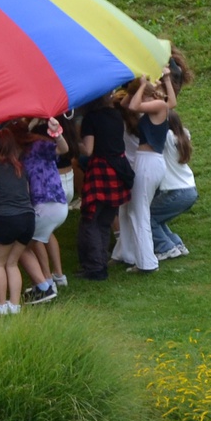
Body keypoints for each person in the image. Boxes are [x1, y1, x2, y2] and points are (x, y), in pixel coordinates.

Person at [0, 130, 49, 314]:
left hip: (6, 219)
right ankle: (14, 305)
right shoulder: (21, 167)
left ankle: (1, 305)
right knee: (12, 262)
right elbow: (26, 192)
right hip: (27, 219)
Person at [115, 77, 172, 272]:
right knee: (133, 210)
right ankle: (132, 255)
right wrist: (135, 88)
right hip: (144, 160)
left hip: (149, 162)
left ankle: (147, 263)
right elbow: (126, 103)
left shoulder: (157, 105)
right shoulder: (154, 105)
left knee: (140, 212)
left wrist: (139, 86)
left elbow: (133, 105)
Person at [75, 90, 133, 281]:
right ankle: (99, 264)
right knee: (105, 220)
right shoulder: (116, 114)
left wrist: (75, 143)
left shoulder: (91, 118)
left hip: (101, 170)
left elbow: (89, 150)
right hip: (118, 169)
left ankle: (94, 268)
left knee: (90, 220)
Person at [21, 118, 71, 299]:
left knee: (23, 244)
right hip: (57, 202)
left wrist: (57, 133)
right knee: (37, 240)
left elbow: (64, 149)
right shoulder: (30, 148)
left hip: (46, 203)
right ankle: (50, 279)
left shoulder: (37, 145)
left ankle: (46, 285)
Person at [151, 113, 197, 259]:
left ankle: (165, 247)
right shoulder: (182, 136)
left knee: (148, 216)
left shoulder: (168, 137)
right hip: (189, 190)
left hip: (177, 192)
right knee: (159, 218)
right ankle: (176, 243)